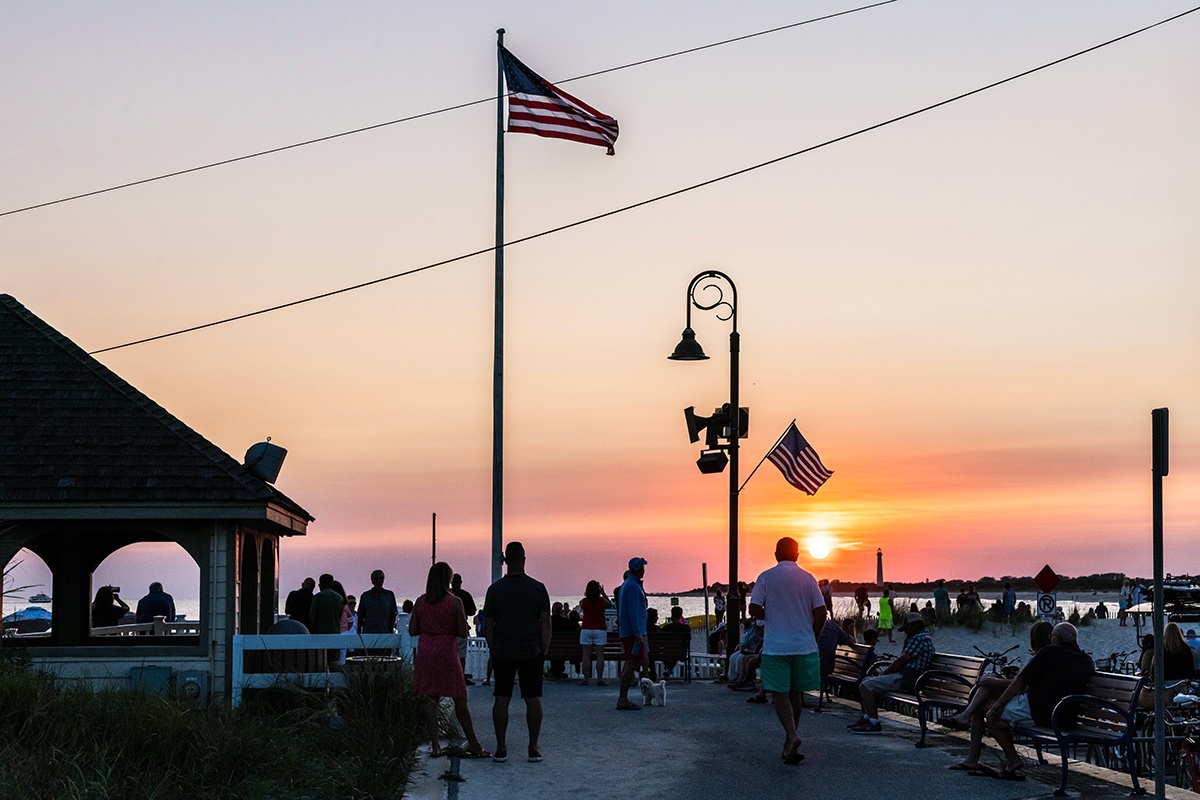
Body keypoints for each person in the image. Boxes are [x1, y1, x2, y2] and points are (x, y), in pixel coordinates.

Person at [961, 622, 1094, 780]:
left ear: (1057, 639)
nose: (1051, 639)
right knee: (997, 719)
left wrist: (999, 703)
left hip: (1042, 712)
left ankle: (1012, 760)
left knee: (987, 711)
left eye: (1052, 637)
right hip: (1067, 718)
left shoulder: (1050, 651)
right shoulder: (1087, 660)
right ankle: (1007, 756)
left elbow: (1020, 681)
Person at [748, 537, 826, 764]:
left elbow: (754, 608)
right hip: (804, 646)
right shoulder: (809, 579)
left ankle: (792, 735)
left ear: (775, 554)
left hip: (776, 647)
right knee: (796, 694)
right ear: (798, 554)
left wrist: (768, 613)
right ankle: (788, 743)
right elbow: (821, 612)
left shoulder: (766, 577)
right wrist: (813, 636)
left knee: (778, 693)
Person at [409, 562, 490, 759]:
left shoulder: (420, 601)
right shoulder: (454, 602)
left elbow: (413, 630)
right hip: (446, 650)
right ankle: (473, 743)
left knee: (430, 700)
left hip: (427, 650)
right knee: (459, 698)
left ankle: (435, 746)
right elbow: (463, 631)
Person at [483, 541, 552, 763]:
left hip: (503, 651)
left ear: (505, 562)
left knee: (501, 699)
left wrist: (494, 649)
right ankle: (532, 747)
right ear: (523, 559)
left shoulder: (494, 590)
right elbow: (545, 624)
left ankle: (501, 748)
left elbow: (488, 625)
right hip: (531, 651)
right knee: (533, 700)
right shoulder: (538, 588)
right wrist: (544, 650)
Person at [939, 620, 1053, 734]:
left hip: (1028, 702)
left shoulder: (1042, 657)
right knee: (987, 687)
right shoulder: (1052, 656)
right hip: (1029, 700)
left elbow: (1021, 684)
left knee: (983, 701)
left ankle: (966, 717)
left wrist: (993, 681)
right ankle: (966, 716)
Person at [849, 612, 934, 735]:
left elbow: (902, 660)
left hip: (908, 679)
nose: (906, 632)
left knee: (866, 686)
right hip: (909, 677)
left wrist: (884, 674)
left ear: (914, 625)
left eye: (907, 628)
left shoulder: (918, 639)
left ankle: (873, 723)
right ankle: (867, 718)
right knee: (865, 682)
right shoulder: (922, 638)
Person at [616, 557, 650, 710]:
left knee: (630, 663)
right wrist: (638, 633)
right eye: (642, 567)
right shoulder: (633, 587)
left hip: (629, 631)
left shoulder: (627, 585)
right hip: (633, 633)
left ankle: (623, 697)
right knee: (631, 664)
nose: (644, 570)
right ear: (636, 569)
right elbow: (633, 611)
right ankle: (623, 699)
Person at [579, 579, 612, 686]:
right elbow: (610, 604)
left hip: (586, 629)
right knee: (599, 656)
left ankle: (585, 679)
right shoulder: (602, 601)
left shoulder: (583, 602)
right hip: (600, 629)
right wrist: (603, 593)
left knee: (586, 655)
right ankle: (599, 679)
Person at [452, 573, 478, 682]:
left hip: (446, 629)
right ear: (460, 582)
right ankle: (461, 676)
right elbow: (473, 611)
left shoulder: (447, 594)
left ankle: (451, 676)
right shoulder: (465, 595)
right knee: (461, 654)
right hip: (461, 627)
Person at [357, 569, 398, 634]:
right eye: (376, 578)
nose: (379, 580)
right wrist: (359, 634)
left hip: (385, 633)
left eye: (381, 578)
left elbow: (393, 615)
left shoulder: (389, 595)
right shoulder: (365, 596)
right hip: (369, 633)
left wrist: (390, 632)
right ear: (372, 580)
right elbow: (360, 617)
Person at [548, 602, 578, 679]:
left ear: (552, 610)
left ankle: (555, 672)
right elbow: (576, 627)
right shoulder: (567, 623)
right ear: (561, 611)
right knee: (560, 649)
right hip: (564, 650)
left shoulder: (547, 622)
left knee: (554, 649)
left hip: (549, 650)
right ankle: (558, 672)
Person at [660, 605, 690, 678]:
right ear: (681, 616)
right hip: (681, 653)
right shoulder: (686, 628)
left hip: (666, 653)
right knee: (675, 651)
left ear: (672, 615)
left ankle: (669, 668)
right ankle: (669, 669)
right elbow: (688, 640)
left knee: (670, 651)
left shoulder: (666, 628)